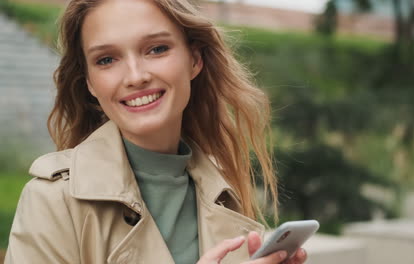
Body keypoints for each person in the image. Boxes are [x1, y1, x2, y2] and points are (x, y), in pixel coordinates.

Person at [5, 0, 308, 263]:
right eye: (107, 59)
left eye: (157, 49)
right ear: (90, 83)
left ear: (194, 60)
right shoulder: (52, 200)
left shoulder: (223, 189)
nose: (136, 76)